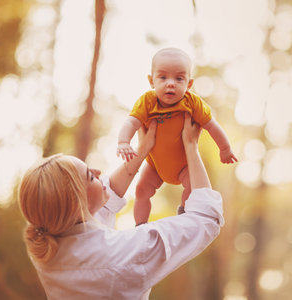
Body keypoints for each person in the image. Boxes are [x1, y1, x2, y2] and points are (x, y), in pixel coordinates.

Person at [19, 114, 224, 300]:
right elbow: (206, 218)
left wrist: (143, 150)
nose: (99, 172)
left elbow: (103, 200)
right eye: (90, 176)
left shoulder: (47, 247)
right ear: (77, 204)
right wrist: (190, 147)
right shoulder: (127, 252)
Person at [117, 47, 237, 225]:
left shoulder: (193, 103)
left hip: (184, 166)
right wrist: (123, 141)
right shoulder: (147, 102)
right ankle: (140, 225)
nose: (170, 83)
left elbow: (212, 126)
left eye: (179, 78)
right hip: (154, 165)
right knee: (142, 189)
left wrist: (225, 149)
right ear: (152, 81)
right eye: (163, 77)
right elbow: (131, 122)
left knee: (192, 187)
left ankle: (183, 215)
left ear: (189, 84)